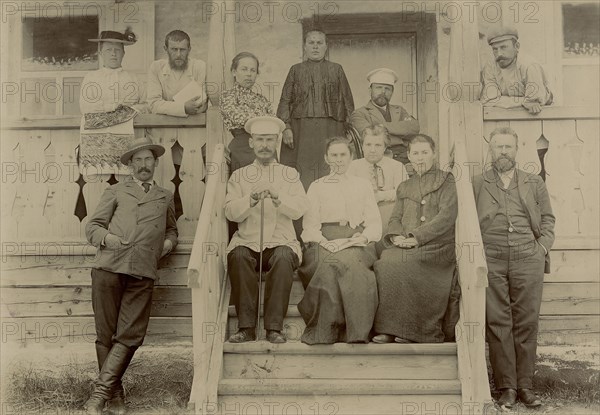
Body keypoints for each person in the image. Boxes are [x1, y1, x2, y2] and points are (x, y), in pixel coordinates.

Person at [84, 136, 178, 414]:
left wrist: (168, 244)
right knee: (106, 335)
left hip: (143, 270)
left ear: (156, 163)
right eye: (137, 161)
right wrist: (108, 239)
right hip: (109, 267)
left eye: (148, 159)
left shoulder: (165, 196)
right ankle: (114, 397)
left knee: (131, 335)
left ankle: (99, 395)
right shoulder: (116, 191)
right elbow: (93, 227)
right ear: (129, 166)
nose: (143, 165)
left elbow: (172, 229)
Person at [474, 127, 555, 409]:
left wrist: (541, 248)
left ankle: (526, 386)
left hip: (527, 256)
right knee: (497, 322)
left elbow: (548, 219)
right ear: (491, 150)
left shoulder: (534, 182)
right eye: (498, 147)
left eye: (508, 147)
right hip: (491, 257)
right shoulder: (477, 183)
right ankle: (506, 387)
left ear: (517, 150)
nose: (503, 152)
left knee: (527, 320)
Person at [225, 116, 310, 344]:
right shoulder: (239, 176)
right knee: (239, 255)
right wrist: (249, 199)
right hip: (248, 239)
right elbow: (230, 212)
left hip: (280, 240)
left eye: (269, 140)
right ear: (251, 143)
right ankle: (246, 328)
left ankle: (274, 328)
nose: (264, 145)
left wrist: (278, 197)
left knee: (283, 257)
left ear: (277, 142)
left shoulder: (289, 175)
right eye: (260, 139)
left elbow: (300, 209)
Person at [372, 134, 458, 344]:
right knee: (385, 262)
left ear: (434, 154)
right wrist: (397, 236)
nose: (420, 158)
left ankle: (417, 330)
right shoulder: (404, 186)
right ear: (409, 156)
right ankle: (388, 328)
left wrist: (416, 237)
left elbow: (446, 217)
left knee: (408, 263)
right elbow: (395, 217)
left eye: (425, 153)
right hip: (406, 244)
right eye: (415, 153)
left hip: (436, 245)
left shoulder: (447, 180)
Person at [298, 137, 381, 345]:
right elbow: (309, 226)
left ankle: (356, 332)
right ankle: (326, 330)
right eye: (333, 155)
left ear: (351, 157)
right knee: (328, 264)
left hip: (356, 239)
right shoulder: (316, 186)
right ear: (326, 158)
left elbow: (373, 222)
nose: (338, 160)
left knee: (353, 265)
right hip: (323, 240)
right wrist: (325, 242)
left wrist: (363, 236)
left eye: (343, 155)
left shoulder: (362, 185)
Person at [277, 29, 354, 190]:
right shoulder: (295, 70)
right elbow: (285, 100)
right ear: (304, 46)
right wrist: (286, 128)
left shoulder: (337, 69)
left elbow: (348, 101)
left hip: (331, 128)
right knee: (302, 173)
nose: (315, 47)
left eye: (319, 43)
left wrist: (347, 129)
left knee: (332, 168)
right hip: (301, 130)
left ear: (326, 46)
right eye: (311, 43)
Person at [350, 68, 420, 171]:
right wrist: (400, 134)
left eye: (387, 89)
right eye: (378, 87)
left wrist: (381, 126)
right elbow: (371, 136)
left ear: (392, 91)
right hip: (381, 158)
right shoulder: (359, 113)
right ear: (370, 90)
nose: (383, 92)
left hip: (406, 157)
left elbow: (414, 128)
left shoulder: (399, 110)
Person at [347, 124, 408, 232]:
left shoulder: (397, 166)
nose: (372, 150)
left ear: (385, 147)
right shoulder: (352, 167)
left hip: (390, 216)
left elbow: (403, 192)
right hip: (361, 217)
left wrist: (381, 196)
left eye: (378, 145)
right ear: (362, 146)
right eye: (368, 144)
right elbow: (348, 195)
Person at [220, 52, 273, 172]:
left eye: (253, 70)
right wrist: (262, 119)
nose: (249, 74)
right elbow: (241, 119)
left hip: (266, 146)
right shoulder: (228, 96)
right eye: (244, 69)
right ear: (234, 72)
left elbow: (273, 121)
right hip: (243, 148)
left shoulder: (262, 99)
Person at [480, 26, 553, 115]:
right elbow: (489, 100)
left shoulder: (529, 66)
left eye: (504, 47)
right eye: (495, 49)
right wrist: (524, 101)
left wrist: (501, 100)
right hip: (505, 116)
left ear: (517, 46)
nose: (499, 53)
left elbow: (535, 103)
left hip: (540, 118)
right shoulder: (490, 67)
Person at [80, 29, 146, 114]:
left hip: (128, 125)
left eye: (117, 50)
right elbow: (85, 107)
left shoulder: (134, 79)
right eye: (108, 50)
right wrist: (111, 108)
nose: (113, 54)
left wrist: (129, 111)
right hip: (100, 126)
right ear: (101, 53)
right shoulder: (91, 78)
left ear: (123, 53)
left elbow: (146, 105)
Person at [147, 30, 207, 117]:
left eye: (182, 50)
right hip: (163, 125)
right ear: (166, 49)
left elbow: (202, 103)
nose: (178, 54)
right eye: (174, 49)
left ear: (189, 50)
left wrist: (168, 107)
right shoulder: (156, 67)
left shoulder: (199, 66)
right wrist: (183, 108)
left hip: (194, 123)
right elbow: (153, 104)